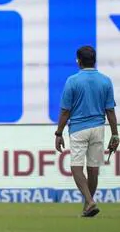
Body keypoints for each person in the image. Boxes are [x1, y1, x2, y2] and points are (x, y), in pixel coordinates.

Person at [54, 45, 119, 217]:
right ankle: (87, 206)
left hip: (78, 129)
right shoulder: (105, 81)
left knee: (76, 168)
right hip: (98, 128)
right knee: (93, 169)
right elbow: (110, 110)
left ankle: (90, 201)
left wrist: (59, 133)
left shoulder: (72, 81)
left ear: (79, 61)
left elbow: (65, 111)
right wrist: (115, 134)